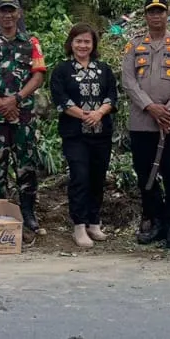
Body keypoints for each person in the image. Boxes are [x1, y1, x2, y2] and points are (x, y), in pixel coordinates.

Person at [120, 0, 170, 249]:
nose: (156, 16)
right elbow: (128, 81)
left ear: (167, 15)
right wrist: (151, 107)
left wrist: (169, 111)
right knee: (145, 175)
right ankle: (155, 221)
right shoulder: (134, 46)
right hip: (142, 121)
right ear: (146, 16)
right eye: (151, 12)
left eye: (160, 12)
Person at [0, 0, 47, 232]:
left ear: (19, 13)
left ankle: (28, 212)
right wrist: (0, 104)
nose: (7, 15)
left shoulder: (31, 42)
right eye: (3, 11)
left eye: (11, 11)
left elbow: (38, 75)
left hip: (23, 115)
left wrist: (15, 99)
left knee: (26, 165)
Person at [50, 23, 118, 248]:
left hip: (101, 133)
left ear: (93, 44)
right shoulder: (62, 70)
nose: (82, 45)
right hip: (75, 134)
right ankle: (79, 225)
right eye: (78, 41)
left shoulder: (104, 69)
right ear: (71, 43)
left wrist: (99, 113)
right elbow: (60, 99)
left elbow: (112, 95)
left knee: (98, 177)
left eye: (87, 41)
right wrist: (83, 115)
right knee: (80, 176)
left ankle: (94, 222)